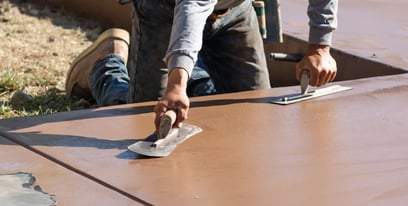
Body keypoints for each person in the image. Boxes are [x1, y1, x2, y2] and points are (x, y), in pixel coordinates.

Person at [66, 0, 337, 131]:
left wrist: (320, 47)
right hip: (165, 10)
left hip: (235, 10)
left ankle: (189, 77)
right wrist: (175, 85)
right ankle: (105, 65)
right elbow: (191, 8)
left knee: (253, 119)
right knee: (144, 118)